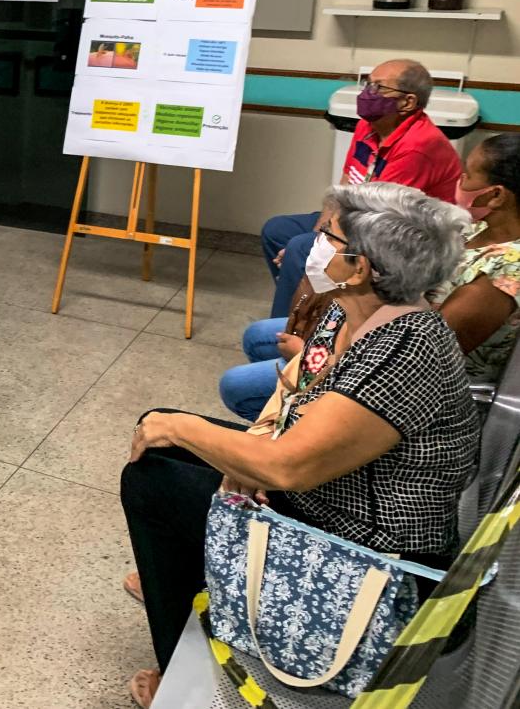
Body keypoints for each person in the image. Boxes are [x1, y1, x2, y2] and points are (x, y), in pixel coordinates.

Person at [121, 182, 478, 708]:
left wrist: (183, 428)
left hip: (372, 556)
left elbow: (288, 468)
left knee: (154, 474)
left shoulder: (407, 346)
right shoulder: (350, 312)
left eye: (329, 234)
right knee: (166, 451)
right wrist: (248, 451)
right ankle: (201, 597)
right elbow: (295, 394)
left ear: (361, 267)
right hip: (330, 495)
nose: (314, 238)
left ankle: (184, 681)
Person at [222, 133, 520, 421]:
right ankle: (288, 410)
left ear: (496, 195)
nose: (459, 180)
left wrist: (306, 357)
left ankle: (296, 424)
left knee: (236, 386)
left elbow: (409, 363)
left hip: (401, 383)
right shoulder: (478, 228)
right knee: (259, 335)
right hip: (377, 332)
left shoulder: (503, 274)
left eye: (467, 174)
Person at [261, 59, 460, 318]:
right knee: (277, 230)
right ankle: (314, 310)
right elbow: (344, 185)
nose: (367, 93)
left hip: (404, 240)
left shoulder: (418, 146)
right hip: (361, 217)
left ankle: (288, 328)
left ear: (408, 102)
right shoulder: (370, 125)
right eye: (367, 84)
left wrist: (319, 245)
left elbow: (381, 220)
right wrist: (321, 233)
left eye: (378, 87)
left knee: (300, 248)